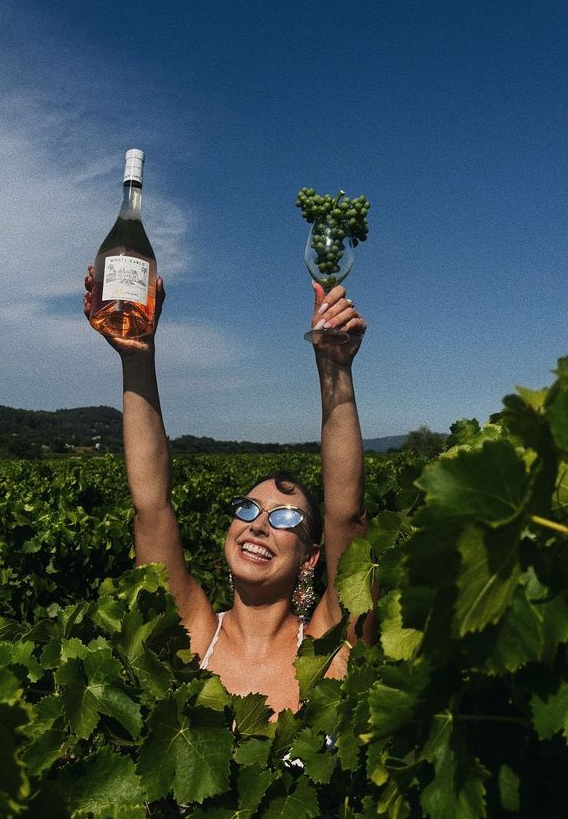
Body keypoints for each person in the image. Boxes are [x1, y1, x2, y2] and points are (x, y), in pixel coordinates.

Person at [83, 268, 368, 717]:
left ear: (312, 557)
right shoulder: (191, 633)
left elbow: (347, 516)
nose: (258, 524)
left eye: (284, 517)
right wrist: (136, 358)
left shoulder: (331, 646)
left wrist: (335, 372)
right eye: (249, 508)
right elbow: (151, 506)